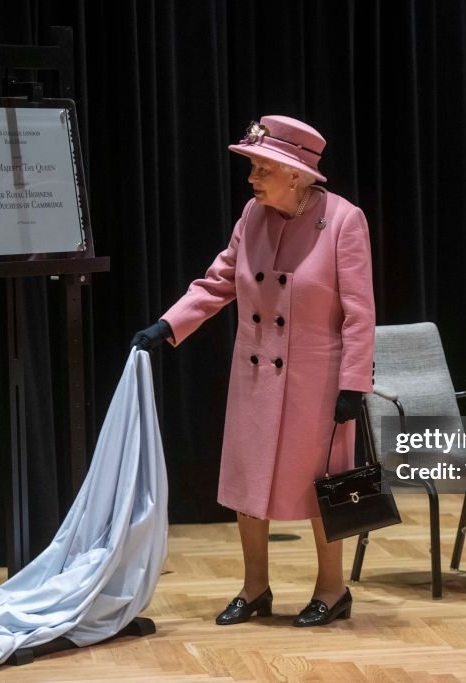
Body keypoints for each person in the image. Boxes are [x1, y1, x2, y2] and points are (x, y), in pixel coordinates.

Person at [131, 115, 375, 625]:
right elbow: (218, 281)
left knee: (321, 487)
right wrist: (167, 326)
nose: (252, 177)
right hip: (255, 373)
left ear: (295, 174)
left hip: (318, 384)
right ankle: (255, 587)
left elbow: (359, 313)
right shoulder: (253, 215)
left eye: (262, 167)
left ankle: (332, 590)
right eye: (254, 166)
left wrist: (354, 384)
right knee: (247, 484)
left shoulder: (344, 221)